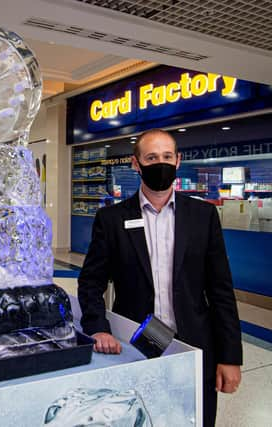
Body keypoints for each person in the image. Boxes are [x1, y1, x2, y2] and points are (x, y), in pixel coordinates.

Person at [78, 129, 242, 427]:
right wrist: (98, 327)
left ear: (178, 160)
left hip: (194, 345)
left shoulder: (202, 216)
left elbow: (221, 290)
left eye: (167, 156)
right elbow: (91, 282)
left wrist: (230, 356)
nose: (161, 163)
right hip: (137, 346)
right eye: (152, 157)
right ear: (136, 163)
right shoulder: (111, 220)